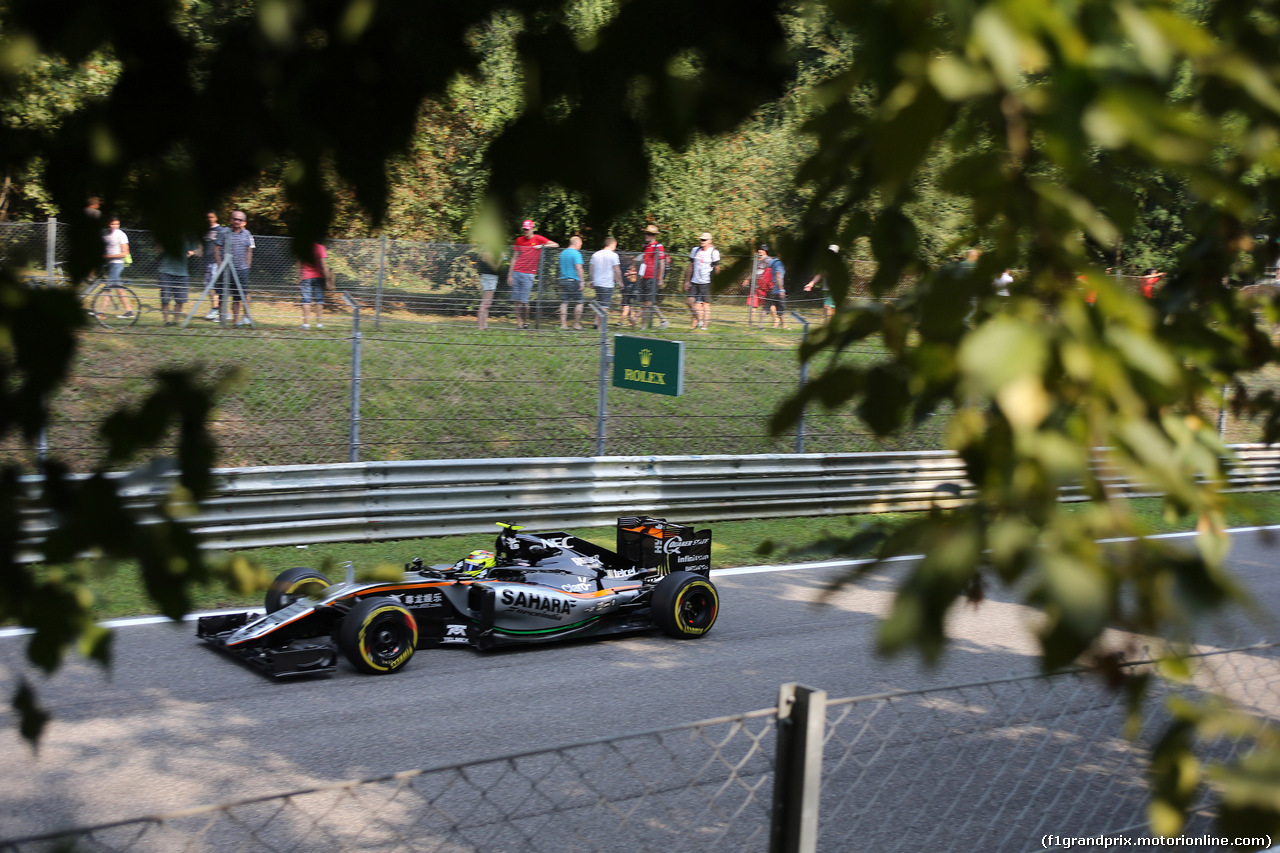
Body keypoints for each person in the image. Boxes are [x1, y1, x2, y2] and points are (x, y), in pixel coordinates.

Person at [511, 219, 558, 329]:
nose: (525, 231)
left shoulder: (538, 239)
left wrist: (542, 246)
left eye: (527, 229)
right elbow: (514, 257)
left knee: (525, 302)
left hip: (529, 274)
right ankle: (519, 324)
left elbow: (555, 245)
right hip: (516, 272)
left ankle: (526, 322)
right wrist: (510, 274)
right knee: (516, 301)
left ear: (532, 229)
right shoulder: (519, 240)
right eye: (524, 230)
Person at [221, 210, 254, 327]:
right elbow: (216, 248)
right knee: (223, 295)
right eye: (235, 219)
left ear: (243, 222)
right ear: (231, 220)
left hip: (242, 270)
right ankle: (224, 321)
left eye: (239, 220)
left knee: (239, 296)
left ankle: (240, 320)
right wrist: (221, 264)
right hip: (226, 270)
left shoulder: (247, 234)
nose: (237, 221)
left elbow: (250, 250)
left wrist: (247, 265)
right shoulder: (224, 232)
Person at [157, 235, 198, 326]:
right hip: (166, 271)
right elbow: (158, 249)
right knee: (165, 298)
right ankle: (167, 321)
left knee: (180, 299)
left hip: (182, 273)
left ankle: (175, 321)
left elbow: (193, 251)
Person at [685, 231, 719, 330]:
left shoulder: (714, 252)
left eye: (705, 239)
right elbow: (690, 265)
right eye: (701, 239)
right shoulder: (695, 250)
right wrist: (687, 280)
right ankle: (697, 318)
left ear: (710, 241)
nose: (702, 241)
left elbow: (717, 268)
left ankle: (705, 325)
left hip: (707, 282)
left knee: (706, 304)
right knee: (689, 301)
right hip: (695, 281)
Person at [638, 223, 669, 329]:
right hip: (644, 277)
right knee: (645, 302)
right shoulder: (645, 247)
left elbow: (662, 262)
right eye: (646, 233)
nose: (646, 235)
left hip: (653, 277)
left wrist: (660, 279)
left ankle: (643, 324)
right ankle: (661, 320)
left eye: (649, 234)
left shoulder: (658, 246)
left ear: (654, 235)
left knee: (648, 302)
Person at [589, 236, 622, 330]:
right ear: (612, 244)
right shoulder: (613, 255)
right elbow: (617, 270)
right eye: (615, 245)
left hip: (597, 282)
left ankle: (596, 322)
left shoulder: (595, 254)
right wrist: (620, 282)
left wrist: (591, 280)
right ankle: (601, 326)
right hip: (607, 284)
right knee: (604, 306)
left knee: (599, 303)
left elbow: (591, 268)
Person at [202, 211, 229, 321]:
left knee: (213, 287)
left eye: (211, 217)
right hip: (207, 262)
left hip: (215, 263)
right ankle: (217, 310)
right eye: (207, 217)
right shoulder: (206, 231)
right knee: (208, 286)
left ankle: (217, 310)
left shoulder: (221, 231)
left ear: (216, 217)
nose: (209, 219)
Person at [804, 244, 839, 322]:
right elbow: (820, 274)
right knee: (831, 308)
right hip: (827, 289)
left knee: (827, 306)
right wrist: (811, 283)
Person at [299, 242, 331, 329]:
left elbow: (299, 264)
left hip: (306, 277)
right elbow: (324, 265)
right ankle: (319, 324)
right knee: (319, 300)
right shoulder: (321, 247)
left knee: (306, 300)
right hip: (319, 277)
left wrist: (299, 277)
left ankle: (306, 324)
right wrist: (327, 280)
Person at [557, 235, 586, 330]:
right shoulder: (576, 253)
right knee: (579, 302)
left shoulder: (563, 253)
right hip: (573, 281)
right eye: (580, 244)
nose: (580, 246)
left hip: (563, 280)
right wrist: (582, 281)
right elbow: (579, 268)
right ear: (577, 244)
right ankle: (576, 324)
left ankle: (563, 325)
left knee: (564, 302)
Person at [745, 245, 773, 328]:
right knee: (753, 304)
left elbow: (772, 272)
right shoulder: (757, 260)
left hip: (764, 287)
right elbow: (753, 272)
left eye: (762, 249)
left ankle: (776, 320)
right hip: (755, 285)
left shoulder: (769, 260)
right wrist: (747, 279)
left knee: (768, 304)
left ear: (765, 251)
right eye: (759, 249)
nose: (759, 251)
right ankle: (750, 322)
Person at [475, 249, 501, 330]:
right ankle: (480, 326)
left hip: (490, 278)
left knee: (487, 302)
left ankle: (484, 325)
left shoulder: (488, 253)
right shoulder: (487, 253)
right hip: (489, 279)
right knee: (485, 303)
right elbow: (495, 268)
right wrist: (501, 259)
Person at [103, 216, 130, 284]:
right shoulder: (104, 233)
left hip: (117, 263)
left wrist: (107, 256)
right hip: (107, 263)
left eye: (117, 224)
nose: (115, 226)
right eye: (113, 224)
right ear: (108, 224)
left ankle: (107, 295)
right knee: (118, 286)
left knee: (109, 284)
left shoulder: (121, 235)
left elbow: (124, 254)